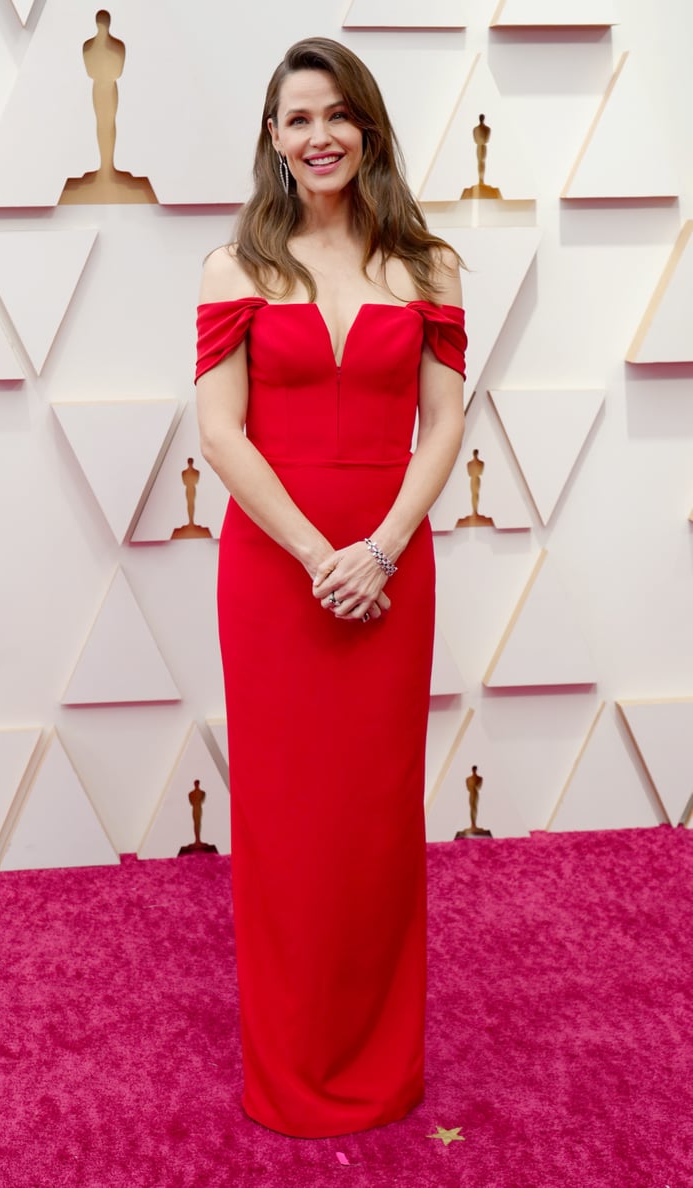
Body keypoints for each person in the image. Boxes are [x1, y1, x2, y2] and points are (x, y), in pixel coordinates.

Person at [195, 36, 466, 1139]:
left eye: (338, 115)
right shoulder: (236, 269)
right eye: (298, 118)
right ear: (272, 137)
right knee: (285, 822)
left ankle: (379, 1061)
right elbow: (220, 434)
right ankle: (295, 1068)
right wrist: (320, 554)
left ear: (368, 127)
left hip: (391, 569)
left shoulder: (428, 263)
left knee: (373, 820)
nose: (320, 137)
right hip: (276, 571)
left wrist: (384, 547)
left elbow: (444, 421)